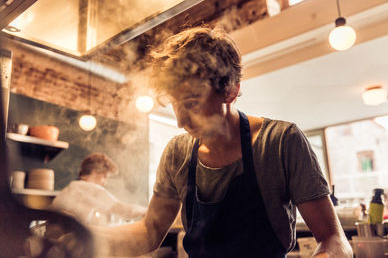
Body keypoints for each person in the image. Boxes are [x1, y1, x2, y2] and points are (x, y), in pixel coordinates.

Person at [94, 27, 353, 257]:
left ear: (230, 91)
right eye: (175, 105)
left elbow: (335, 240)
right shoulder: (177, 152)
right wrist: (86, 237)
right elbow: (149, 232)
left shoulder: (281, 142)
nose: (180, 121)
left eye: (191, 103)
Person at [49, 152, 147, 225]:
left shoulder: (73, 188)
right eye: (104, 176)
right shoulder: (86, 188)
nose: (105, 182)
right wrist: (147, 211)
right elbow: (122, 210)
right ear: (95, 171)